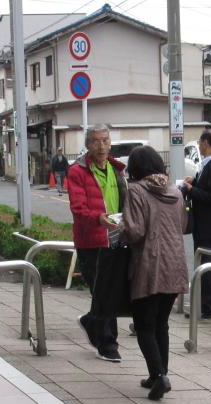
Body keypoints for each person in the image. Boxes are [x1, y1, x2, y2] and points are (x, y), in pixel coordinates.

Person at [121, 146, 188, 400]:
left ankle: (159, 376)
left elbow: (135, 231)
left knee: (144, 324)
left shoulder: (136, 191)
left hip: (150, 264)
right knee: (162, 323)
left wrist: (120, 226)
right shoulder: (175, 191)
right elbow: (182, 225)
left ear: (136, 168)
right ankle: (159, 375)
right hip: (175, 264)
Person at [67, 124, 127, 363]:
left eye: (105, 140)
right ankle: (107, 343)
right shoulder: (77, 172)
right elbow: (78, 208)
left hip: (115, 238)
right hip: (90, 241)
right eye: (96, 141)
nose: (101, 146)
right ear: (87, 145)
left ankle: (91, 322)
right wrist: (97, 218)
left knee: (111, 291)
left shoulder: (116, 168)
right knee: (102, 292)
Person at [183, 128, 211, 318]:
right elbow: (208, 188)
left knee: (205, 266)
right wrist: (194, 181)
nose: (199, 146)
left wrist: (191, 189)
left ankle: (209, 307)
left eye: (200, 142)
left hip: (209, 226)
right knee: (204, 265)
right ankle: (207, 305)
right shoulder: (209, 164)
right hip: (206, 224)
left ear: (205, 143)